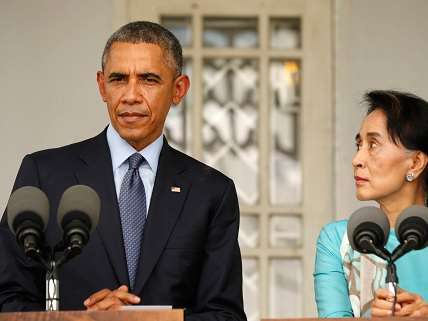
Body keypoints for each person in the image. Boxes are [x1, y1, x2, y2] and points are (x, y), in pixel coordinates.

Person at [0, 21, 246, 321]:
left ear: (178, 89)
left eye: (148, 80)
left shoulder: (210, 191)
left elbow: (225, 315)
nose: (131, 95)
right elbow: (7, 299)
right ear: (102, 86)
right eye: (118, 79)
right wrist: (80, 320)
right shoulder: (44, 174)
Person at [314, 90, 428, 317]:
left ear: (415, 162)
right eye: (359, 145)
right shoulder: (339, 241)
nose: (357, 160)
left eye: (373, 145)